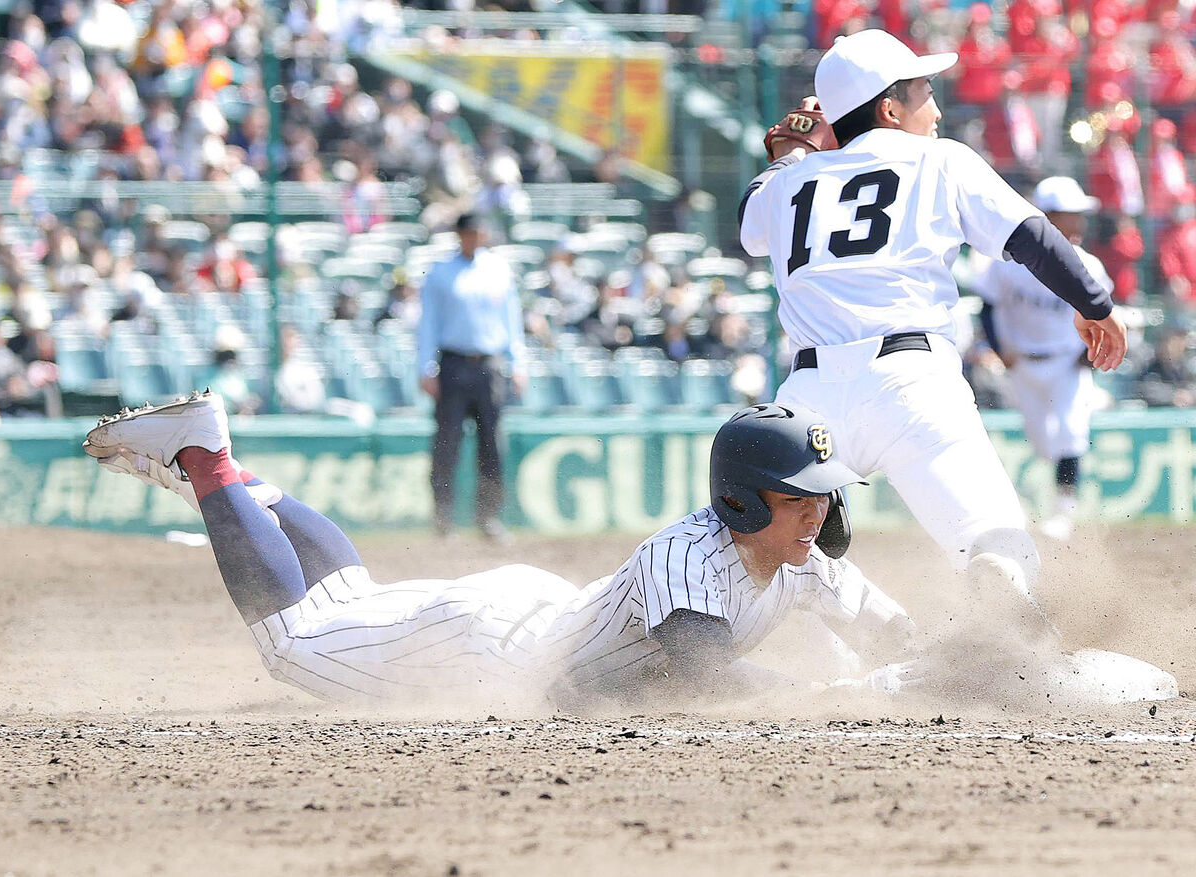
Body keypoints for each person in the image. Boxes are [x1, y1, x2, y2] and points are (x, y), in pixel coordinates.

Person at [81, 393, 917, 706]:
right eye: (798, 494)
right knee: (296, 644)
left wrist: (988, 666)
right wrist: (839, 694)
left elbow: (902, 640)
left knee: (350, 598)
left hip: (529, 618)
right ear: (741, 498)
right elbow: (709, 672)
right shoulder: (688, 559)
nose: (818, 510)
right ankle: (206, 459)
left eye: (823, 493)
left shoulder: (806, 564)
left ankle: (236, 484)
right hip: (492, 646)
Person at [738, 30, 1127, 636]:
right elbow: (1032, 236)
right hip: (911, 386)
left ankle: (707, 635)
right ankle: (1009, 638)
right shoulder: (939, 160)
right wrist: (1095, 304)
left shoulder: (790, 183)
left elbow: (750, 225)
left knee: (760, 560)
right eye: (924, 91)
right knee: (994, 544)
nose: (938, 108)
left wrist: (793, 156)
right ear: (890, 109)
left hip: (807, 401)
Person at [973, 177, 1114, 542]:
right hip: (1022, 363)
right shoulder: (1006, 264)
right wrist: (999, 348)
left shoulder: (1088, 264)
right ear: (1048, 216)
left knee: (1069, 433)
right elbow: (987, 307)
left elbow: (1103, 315)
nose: (1079, 222)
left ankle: (1063, 513)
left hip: (1066, 362)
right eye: (1071, 214)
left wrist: (1088, 355)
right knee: (1042, 442)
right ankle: (1034, 508)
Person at [417, 213, 527, 542]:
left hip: (489, 364)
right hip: (453, 363)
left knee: (492, 445)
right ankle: (443, 518)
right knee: (447, 444)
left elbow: (512, 320)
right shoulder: (441, 274)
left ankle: (488, 517)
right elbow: (428, 323)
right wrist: (426, 367)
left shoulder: (498, 270)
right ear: (460, 235)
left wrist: (518, 362)